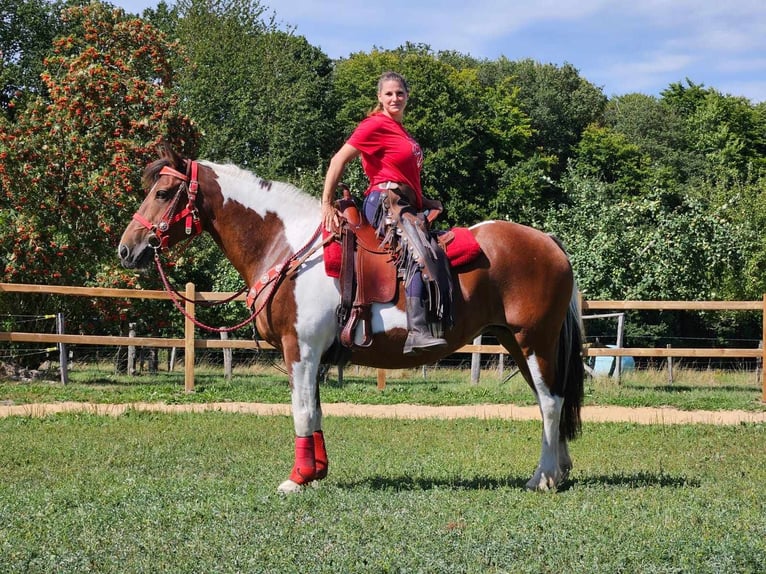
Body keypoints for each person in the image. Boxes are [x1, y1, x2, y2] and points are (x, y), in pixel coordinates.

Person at [321, 71, 448, 355]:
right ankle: (417, 331)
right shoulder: (374, 125)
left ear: (407, 97)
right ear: (380, 97)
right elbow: (338, 159)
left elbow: (404, 176)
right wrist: (326, 203)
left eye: (400, 93)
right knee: (417, 252)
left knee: (432, 248)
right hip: (384, 200)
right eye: (389, 93)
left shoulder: (403, 132)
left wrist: (425, 200)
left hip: (405, 202)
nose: (395, 98)